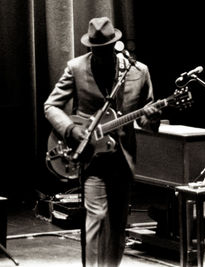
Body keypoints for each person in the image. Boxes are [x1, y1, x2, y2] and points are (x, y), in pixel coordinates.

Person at [44, 17, 161, 266]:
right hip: (91, 157)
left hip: (123, 158)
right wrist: (70, 129)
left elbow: (147, 121)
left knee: (118, 222)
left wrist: (153, 116)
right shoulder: (76, 67)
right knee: (96, 215)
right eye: (96, 51)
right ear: (90, 49)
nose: (101, 55)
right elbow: (51, 105)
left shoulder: (139, 71)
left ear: (114, 45)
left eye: (105, 50)